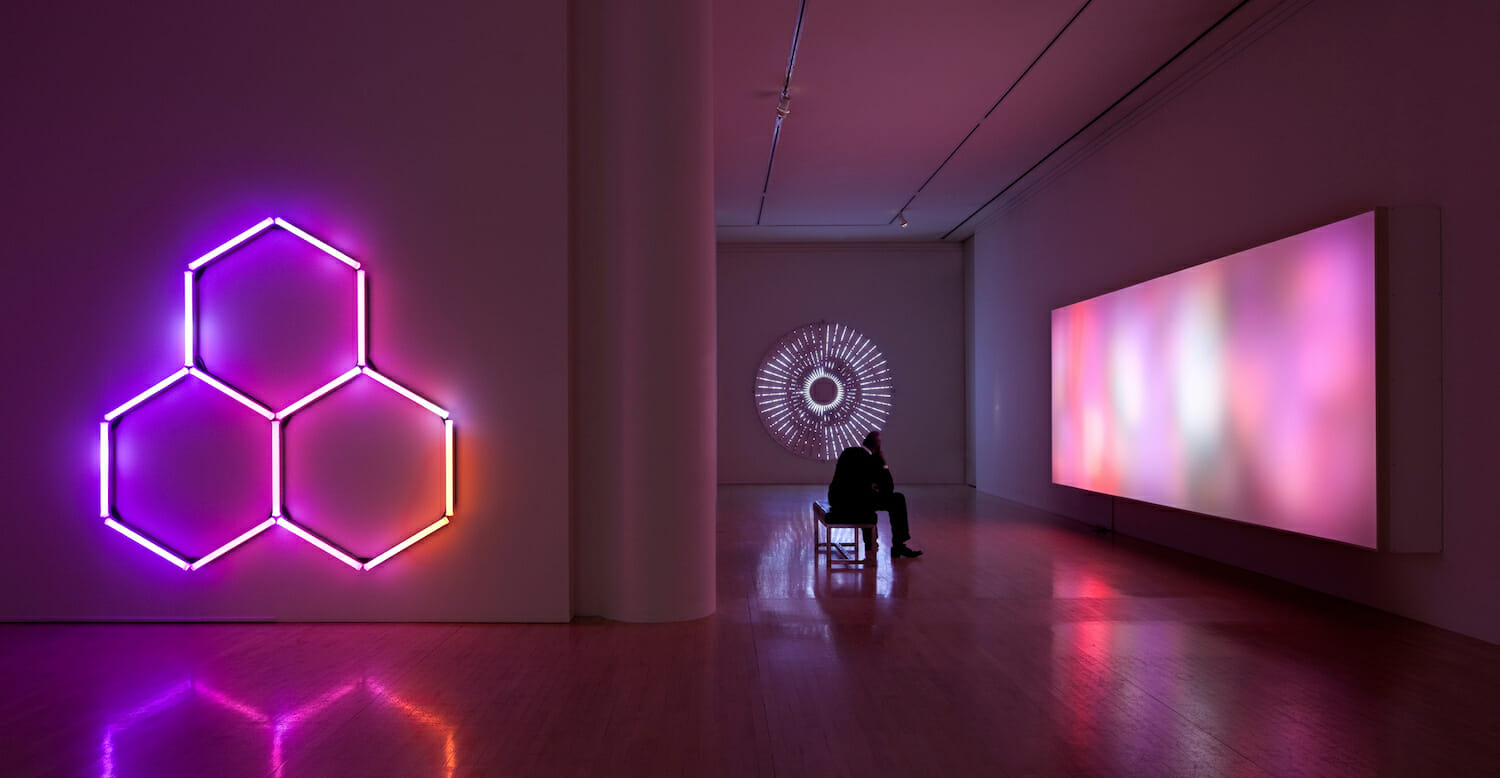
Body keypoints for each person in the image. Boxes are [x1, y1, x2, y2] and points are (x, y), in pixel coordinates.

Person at [828, 430, 923, 559]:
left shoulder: (848, 452)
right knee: (897, 499)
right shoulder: (872, 460)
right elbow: (889, 488)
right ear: (877, 446)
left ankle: (873, 542)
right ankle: (898, 545)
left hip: (837, 500)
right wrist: (884, 464)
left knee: (867, 501)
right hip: (855, 503)